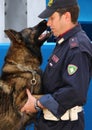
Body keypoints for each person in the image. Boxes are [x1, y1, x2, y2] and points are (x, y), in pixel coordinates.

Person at [21, 0, 92, 130]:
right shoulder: (63, 42)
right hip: (50, 123)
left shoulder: (77, 47)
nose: (48, 23)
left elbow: (75, 92)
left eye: (52, 18)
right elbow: (55, 85)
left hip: (65, 125)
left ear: (66, 17)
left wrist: (38, 103)